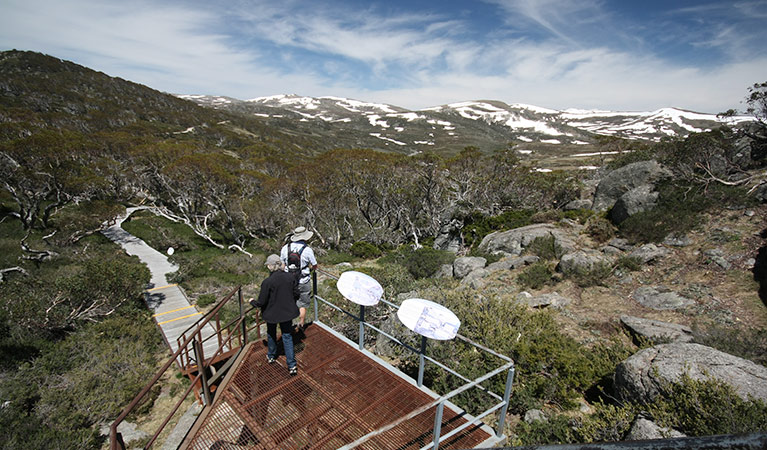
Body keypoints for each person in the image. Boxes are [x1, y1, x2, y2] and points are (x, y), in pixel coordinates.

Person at [250, 254, 300, 375]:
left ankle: (271, 355)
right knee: (287, 336)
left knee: (271, 333)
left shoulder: (267, 282)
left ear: (270, 266)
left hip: (272, 314)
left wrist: (252, 302)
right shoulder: (289, 277)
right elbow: (296, 294)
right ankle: (292, 365)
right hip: (287, 312)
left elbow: (262, 301)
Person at [280, 226, 318, 330]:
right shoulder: (307, 250)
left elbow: (282, 264)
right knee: (303, 302)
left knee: (290, 300)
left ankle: (288, 324)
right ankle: (301, 323)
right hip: (303, 280)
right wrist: (310, 268)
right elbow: (314, 265)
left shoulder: (285, 248)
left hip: (288, 280)